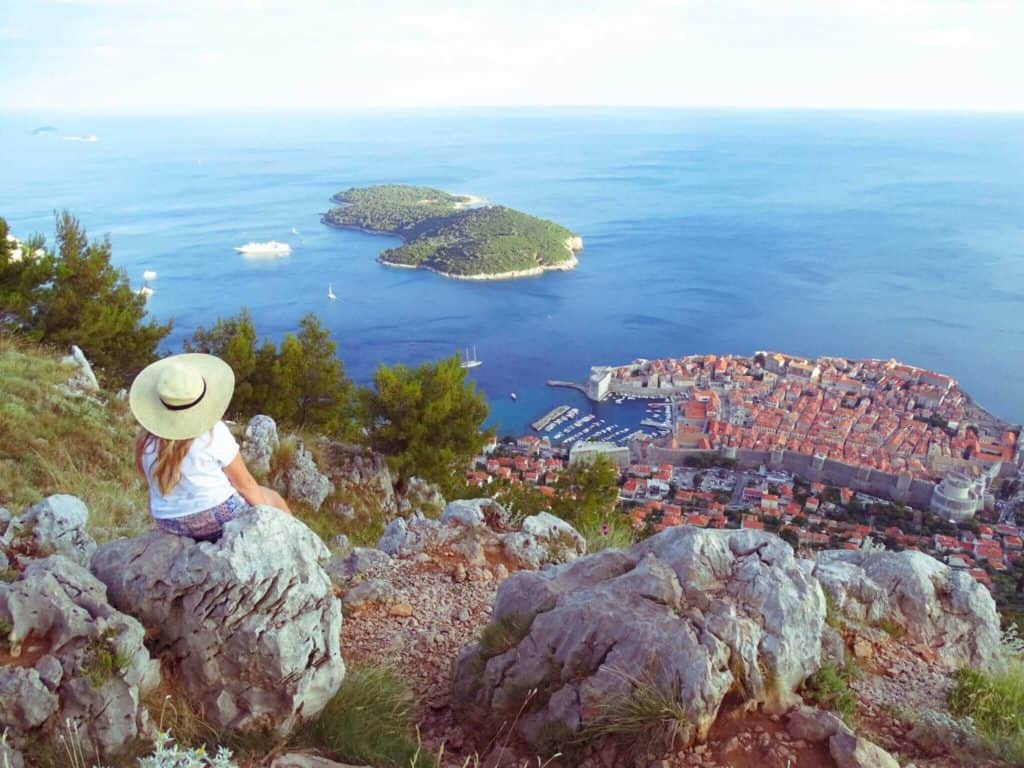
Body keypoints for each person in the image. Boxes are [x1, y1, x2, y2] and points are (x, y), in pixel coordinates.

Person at [129, 352, 289, 541]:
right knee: (273, 498)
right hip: (218, 519)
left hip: (169, 523)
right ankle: (292, 543)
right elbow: (244, 483)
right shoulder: (213, 433)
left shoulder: (145, 441)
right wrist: (266, 519)